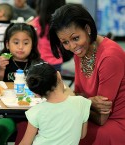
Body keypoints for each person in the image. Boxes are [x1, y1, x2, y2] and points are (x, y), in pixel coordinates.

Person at [49, 4, 125, 145]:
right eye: (65, 42)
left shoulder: (109, 57)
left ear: (88, 29)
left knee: (53, 130)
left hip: (115, 125)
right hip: (89, 118)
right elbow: (77, 94)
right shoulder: (82, 51)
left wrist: (83, 101)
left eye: (75, 38)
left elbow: (101, 118)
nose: (72, 47)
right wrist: (88, 101)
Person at [0, 23, 41, 145]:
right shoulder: (4, 62)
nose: (20, 47)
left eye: (25, 43)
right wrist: (1, 69)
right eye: (16, 42)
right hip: (6, 112)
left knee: (26, 132)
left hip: (30, 114)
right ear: (7, 44)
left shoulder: (37, 65)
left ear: (32, 45)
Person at [19, 62, 91, 145]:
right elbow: (82, 135)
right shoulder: (82, 102)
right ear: (58, 75)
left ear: (37, 94)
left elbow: (26, 142)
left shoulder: (36, 112)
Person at [29, 0, 65, 72]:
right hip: (56, 61)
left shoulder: (34, 23)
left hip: (39, 62)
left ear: (41, 6)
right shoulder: (62, 24)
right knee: (55, 83)